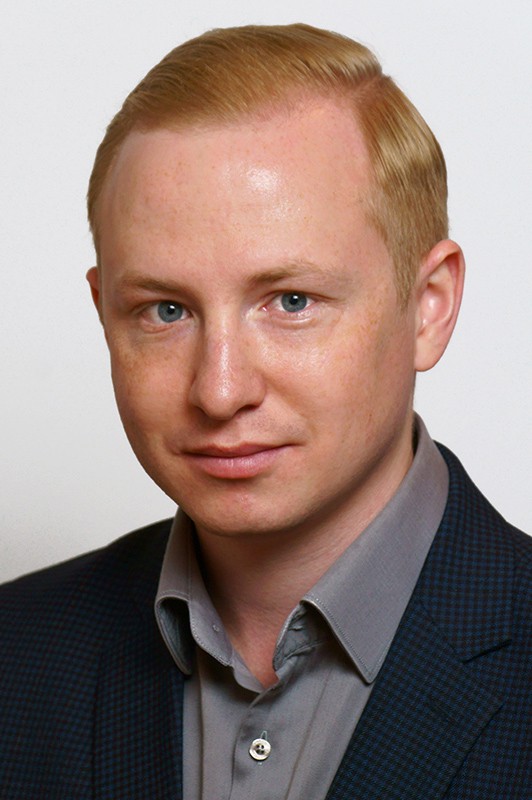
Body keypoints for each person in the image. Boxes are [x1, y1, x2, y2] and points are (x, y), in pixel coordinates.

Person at [0, 23, 529, 800]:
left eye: (291, 301)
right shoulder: (14, 654)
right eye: (166, 310)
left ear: (429, 307)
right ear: (104, 311)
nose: (219, 391)